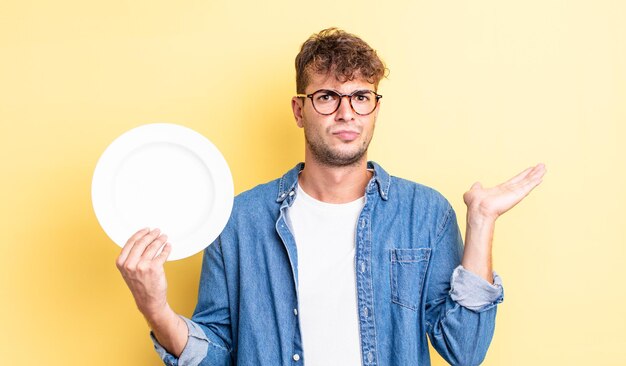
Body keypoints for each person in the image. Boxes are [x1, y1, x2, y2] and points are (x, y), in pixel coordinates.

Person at [116, 28, 546, 366]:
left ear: (375, 108)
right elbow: (215, 354)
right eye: (327, 97)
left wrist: (482, 222)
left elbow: (464, 350)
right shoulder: (239, 221)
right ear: (300, 110)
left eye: (361, 97)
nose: (346, 113)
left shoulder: (425, 213)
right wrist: (155, 309)